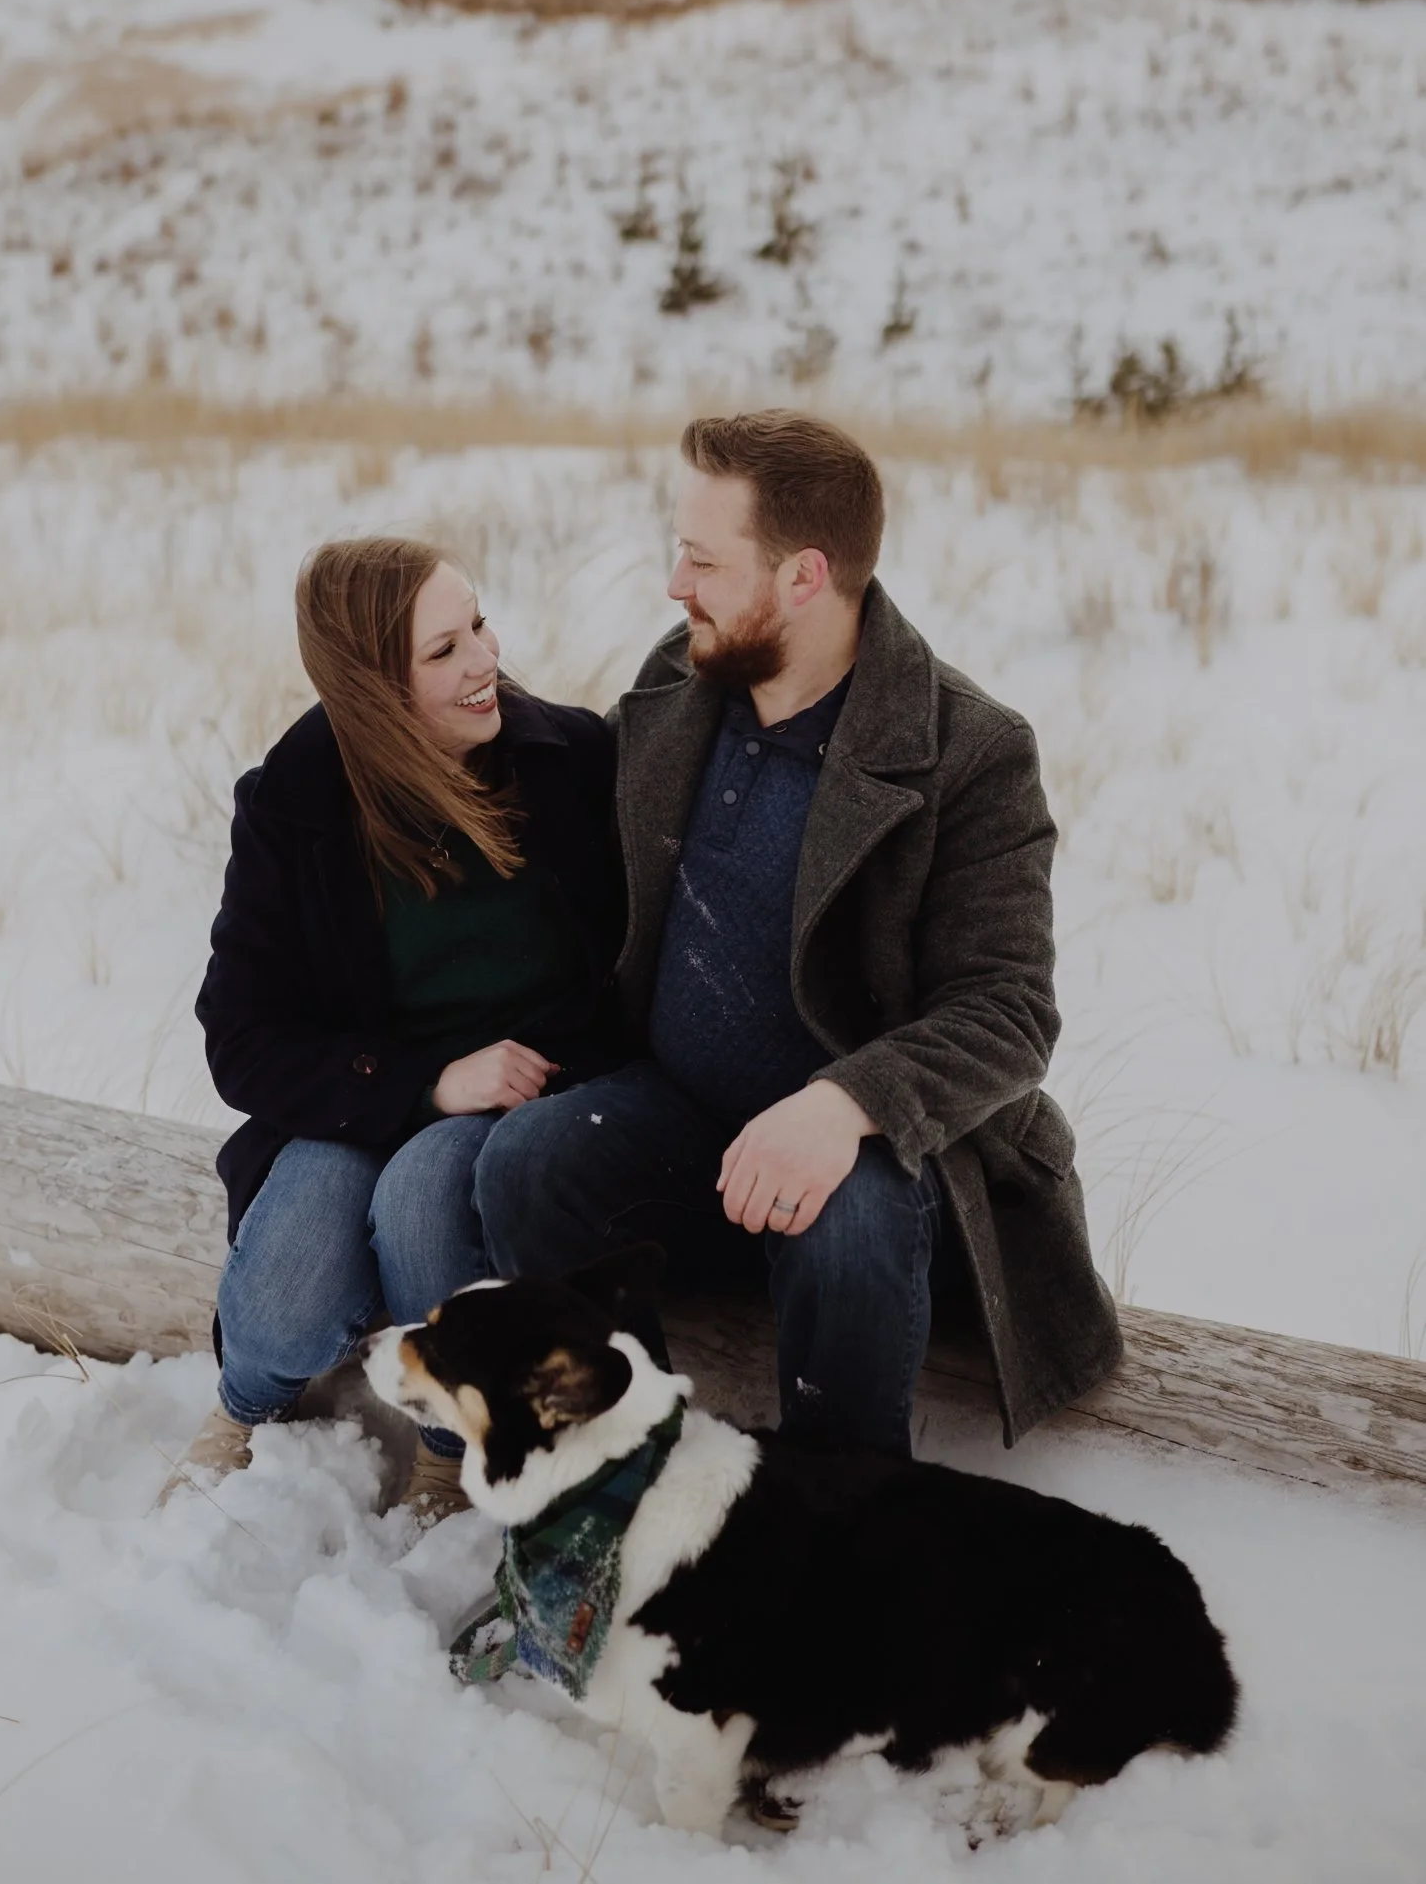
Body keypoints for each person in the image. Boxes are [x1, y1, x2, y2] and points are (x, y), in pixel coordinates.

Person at [475, 410, 1122, 1458]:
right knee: (528, 1165)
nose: (674, 583)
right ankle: (625, 1467)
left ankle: (841, 1527)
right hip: (683, 1117)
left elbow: (1008, 1011)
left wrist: (842, 1103)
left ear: (803, 577)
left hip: (872, 1154)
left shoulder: (969, 750)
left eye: (701, 559)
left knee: (850, 1221)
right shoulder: (684, 673)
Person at [176, 536, 626, 1516]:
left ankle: (443, 1450)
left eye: (477, 623)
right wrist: (421, 1082)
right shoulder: (293, 808)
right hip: (364, 1094)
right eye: (443, 650)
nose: (484, 658)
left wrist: (518, 1081)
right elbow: (241, 1035)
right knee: (283, 1299)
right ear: (374, 687)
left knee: (425, 1203)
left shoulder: (570, 763)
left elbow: (627, 977)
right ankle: (242, 1406)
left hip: (522, 1097)